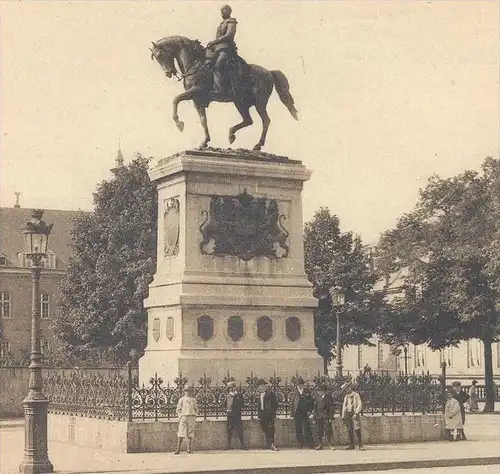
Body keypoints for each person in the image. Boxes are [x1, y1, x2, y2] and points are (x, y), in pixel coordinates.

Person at [206, 4, 238, 96]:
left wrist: (215, 41)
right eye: (221, 11)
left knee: (219, 65)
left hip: (227, 49)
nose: (221, 12)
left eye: (223, 10)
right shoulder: (221, 24)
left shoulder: (231, 22)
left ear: (229, 11)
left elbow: (229, 36)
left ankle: (220, 90)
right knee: (206, 62)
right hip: (217, 49)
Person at [290, 377, 315, 448]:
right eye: (298, 385)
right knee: (298, 429)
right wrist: (292, 412)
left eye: (301, 384)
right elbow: (292, 403)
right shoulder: (294, 392)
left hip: (304, 413)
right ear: (296, 385)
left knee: (307, 428)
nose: (300, 386)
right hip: (297, 413)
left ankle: (310, 444)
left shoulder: (307, 391)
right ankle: (300, 444)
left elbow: (311, 402)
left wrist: (310, 411)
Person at [256, 378, 279, 451]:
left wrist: (273, 413)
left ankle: (272, 444)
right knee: (265, 429)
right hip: (262, 414)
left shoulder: (270, 393)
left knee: (270, 429)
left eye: (259, 386)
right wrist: (259, 414)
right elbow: (259, 405)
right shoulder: (260, 394)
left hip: (269, 414)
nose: (258, 388)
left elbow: (275, 404)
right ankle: (268, 443)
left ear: (263, 386)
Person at [175, 386, 199, 454]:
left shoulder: (193, 400)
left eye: (190, 391)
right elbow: (178, 409)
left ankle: (189, 449)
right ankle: (178, 449)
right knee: (181, 433)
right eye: (186, 391)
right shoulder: (181, 399)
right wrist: (180, 417)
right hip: (184, 417)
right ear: (184, 391)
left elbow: (196, 409)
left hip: (191, 417)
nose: (188, 392)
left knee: (190, 433)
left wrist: (195, 416)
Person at [341, 382, 364, 451]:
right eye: (345, 390)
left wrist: (356, 413)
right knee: (349, 429)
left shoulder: (356, 395)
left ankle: (360, 445)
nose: (346, 391)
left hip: (354, 413)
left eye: (347, 389)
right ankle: (352, 444)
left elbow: (360, 404)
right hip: (348, 413)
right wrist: (343, 415)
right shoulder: (346, 396)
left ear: (349, 387)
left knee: (357, 428)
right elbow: (344, 406)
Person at [312, 382, 334, 450]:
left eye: (319, 390)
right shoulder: (318, 398)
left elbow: (331, 408)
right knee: (319, 431)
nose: (318, 392)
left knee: (328, 431)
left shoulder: (328, 397)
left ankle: (329, 444)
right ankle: (320, 444)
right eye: (318, 391)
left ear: (324, 391)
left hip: (326, 417)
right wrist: (314, 418)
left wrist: (330, 417)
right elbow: (315, 408)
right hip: (319, 417)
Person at [225, 380, 246, 449]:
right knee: (229, 430)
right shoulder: (228, 396)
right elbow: (224, 404)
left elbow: (242, 404)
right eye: (229, 388)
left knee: (239, 429)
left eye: (232, 387)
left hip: (237, 414)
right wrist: (227, 409)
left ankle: (242, 444)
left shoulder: (239, 395)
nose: (231, 389)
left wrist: (235, 405)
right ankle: (229, 445)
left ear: (235, 387)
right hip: (230, 415)